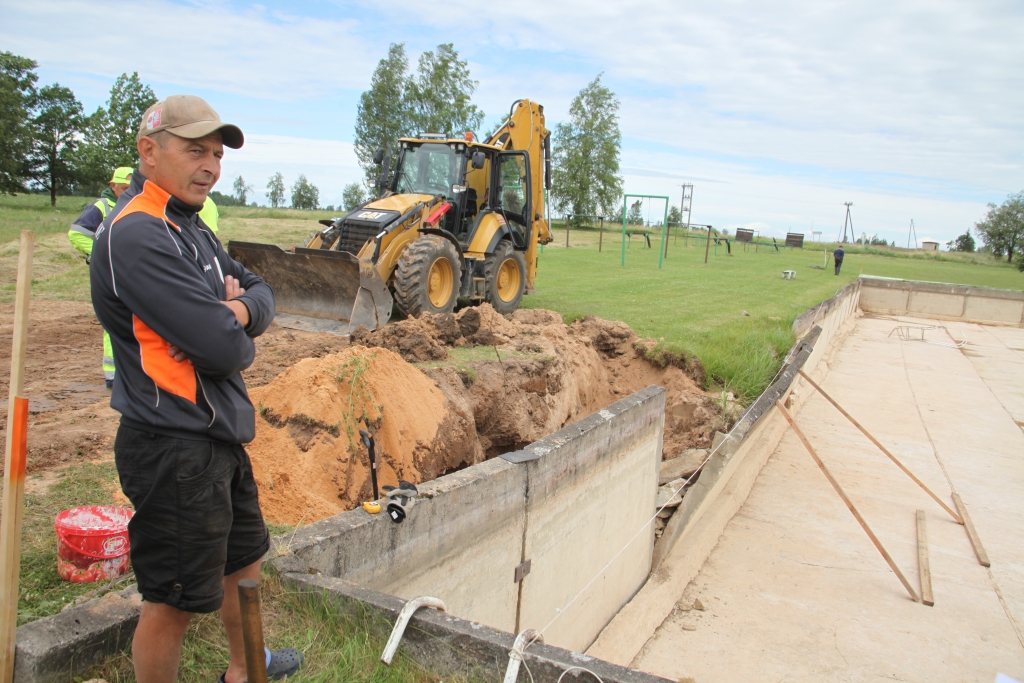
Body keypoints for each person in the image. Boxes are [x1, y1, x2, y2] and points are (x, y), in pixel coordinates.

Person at [89, 95, 302, 683]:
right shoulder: (137, 234)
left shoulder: (189, 225)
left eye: (216, 153)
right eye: (195, 150)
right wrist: (233, 321)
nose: (209, 165)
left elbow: (261, 292)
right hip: (173, 444)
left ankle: (245, 668)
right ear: (149, 151)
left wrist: (233, 309)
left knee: (244, 563)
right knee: (173, 600)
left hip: (215, 434)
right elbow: (224, 350)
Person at [69, 166, 133, 388]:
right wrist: (103, 256)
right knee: (115, 319)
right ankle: (113, 374)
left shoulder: (135, 205)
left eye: (131, 188)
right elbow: (77, 234)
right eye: (123, 188)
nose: (127, 191)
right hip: (111, 275)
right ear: (112, 186)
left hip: (133, 273)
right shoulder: (102, 207)